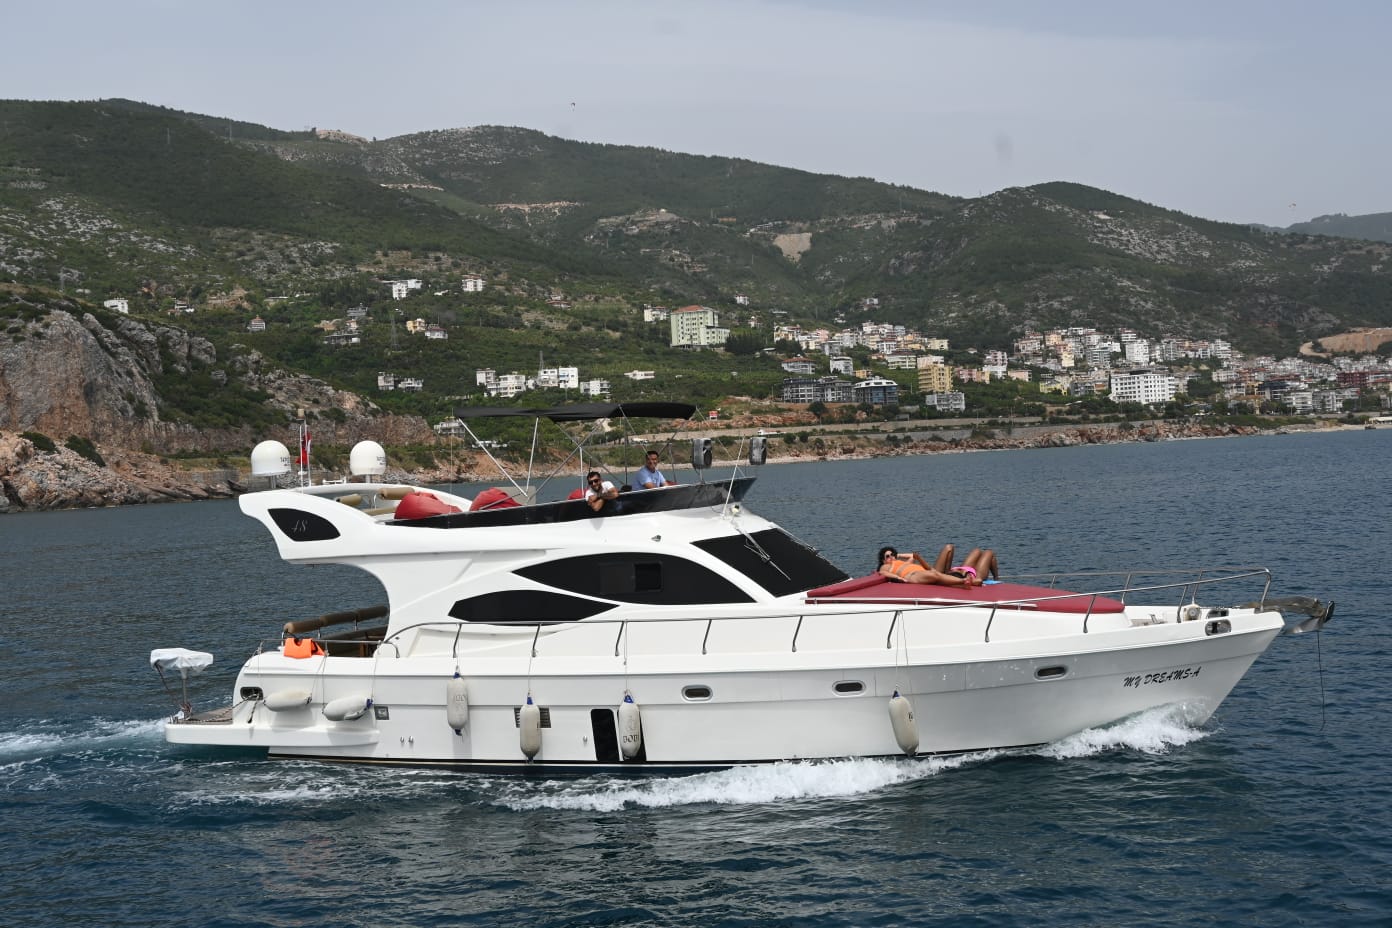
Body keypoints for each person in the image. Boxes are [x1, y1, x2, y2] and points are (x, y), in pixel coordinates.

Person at [877, 545, 973, 587]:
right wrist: (898, 578)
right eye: (888, 556)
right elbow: (882, 572)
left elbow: (912, 556)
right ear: (883, 560)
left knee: (949, 548)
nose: (891, 557)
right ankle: (963, 581)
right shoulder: (886, 566)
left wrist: (897, 555)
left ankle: (962, 580)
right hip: (912, 575)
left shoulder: (903, 562)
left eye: (892, 554)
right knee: (935, 575)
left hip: (925, 571)